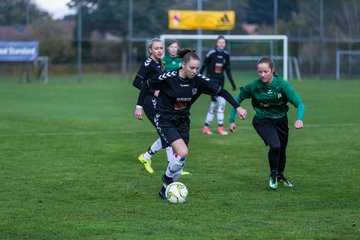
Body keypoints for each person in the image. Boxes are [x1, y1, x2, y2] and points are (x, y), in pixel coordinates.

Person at [134, 49, 247, 199]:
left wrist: (237, 107)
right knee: (183, 152)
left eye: (196, 68)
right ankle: (167, 179)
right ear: (183, 65)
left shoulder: (198, 80)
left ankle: (165, 190)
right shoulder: (168, 77)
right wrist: (139, 106)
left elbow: (221, 91)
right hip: (164, 118)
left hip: (183, 120)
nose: (194, 71)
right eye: (191, 68)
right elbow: (146, 84)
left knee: (180, 164)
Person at [228, 56, 305, 190]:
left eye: (265, 71)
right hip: (262, 121)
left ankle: (281, 176)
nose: (262, 75)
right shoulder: (254, 86)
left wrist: (299, 119)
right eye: (260, 72)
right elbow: (238, 98)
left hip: (281, 120)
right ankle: (273, 176)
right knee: (275, 146)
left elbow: (299, 103)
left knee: (282, 149)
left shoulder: (282, 85)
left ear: (273, 70)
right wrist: (231, 120)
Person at [132, 38, 173, 174]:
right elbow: (137, 82)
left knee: (166, 131)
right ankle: (172, 167)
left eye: (161, 48)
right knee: (166, 131)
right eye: (156, 48)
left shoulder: (159, 63)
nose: (160, 50)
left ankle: (146, 157)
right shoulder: (148, 63)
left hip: (159, 101)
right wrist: (153, 92)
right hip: (149, 101)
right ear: (150, 50)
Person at [200, 35, 237, 136]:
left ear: (225, 44)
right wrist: (199, 79)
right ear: (216, 43)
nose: (221, 44)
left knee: (214, 105)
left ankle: (205, 127)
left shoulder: (226, 55)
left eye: (223, 42)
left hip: (221, 82)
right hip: (211, 82)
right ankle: (220, 127)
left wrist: (233, 84)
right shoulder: (211, 53)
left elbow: (228, 70)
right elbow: (203, 66)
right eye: (220, 42)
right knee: (222, 102)